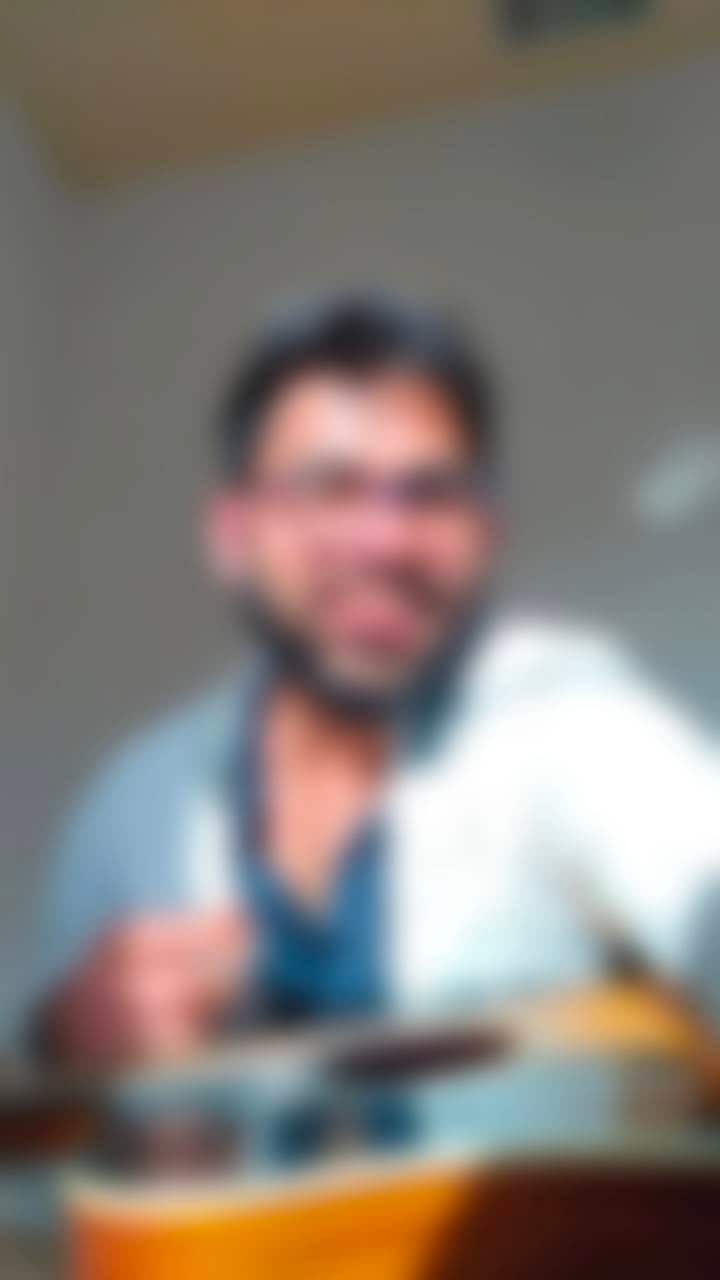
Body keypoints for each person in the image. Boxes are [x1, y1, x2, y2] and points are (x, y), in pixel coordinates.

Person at [25, 294, 719, 1066]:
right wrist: (61, 1038)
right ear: (234, 535)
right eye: (328, 488)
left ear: (486, 531)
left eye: (432, 493)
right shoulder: (134, 807)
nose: (384, 542)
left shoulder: (570, 715)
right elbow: (42, 1094)